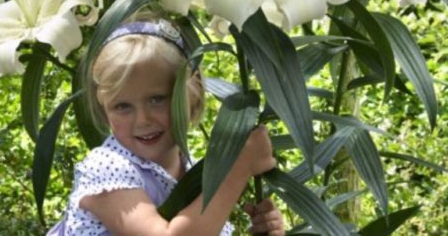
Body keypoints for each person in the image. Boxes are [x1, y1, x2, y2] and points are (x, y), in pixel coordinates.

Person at [48, 17, 285, 235]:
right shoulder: (106, 169)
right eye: (122, 106)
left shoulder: (190, 169)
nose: (142, 120)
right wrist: (240, 167)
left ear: (192, 96)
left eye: (157, 99)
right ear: (103, 108)